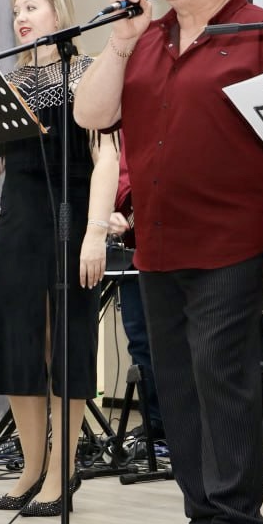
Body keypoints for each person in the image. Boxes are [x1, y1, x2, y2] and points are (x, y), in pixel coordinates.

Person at [74, 0, 263, 524]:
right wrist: (120, 42)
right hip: (160, 246)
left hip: (233, 243)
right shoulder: (147, 40)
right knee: (178, 389)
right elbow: (90, 115)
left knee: (224, 385)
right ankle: (203, 520)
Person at [0, 0, 119, 516]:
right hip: (18, 224)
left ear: (60, 14)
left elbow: (107, 157)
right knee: (19, 344)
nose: (21, 17)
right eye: (16, 10)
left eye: (31, 7)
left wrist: (95, 233)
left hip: (70, 221)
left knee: (66, 347)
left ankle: (63, 470)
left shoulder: (88, 73)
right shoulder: (9, 82)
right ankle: (31, 469)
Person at [108, 144, 163, 443]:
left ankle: (184, 424)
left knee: (175, 339)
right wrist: (107, 213)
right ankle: (154, 423)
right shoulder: (105, 131)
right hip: (130, 245)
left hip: (169, 237)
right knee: (139, 339)